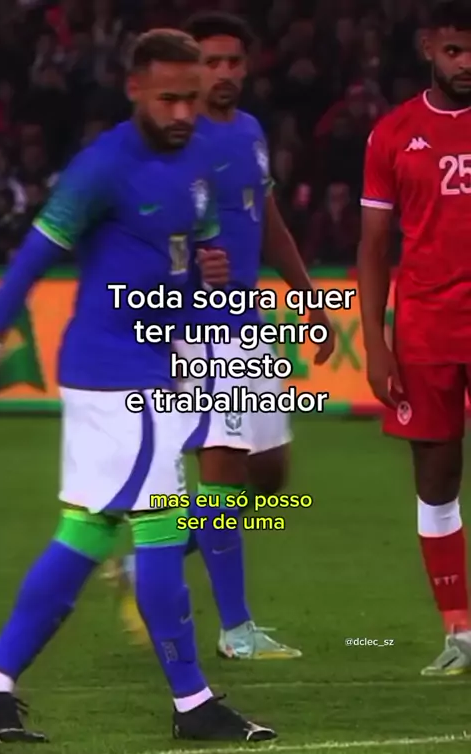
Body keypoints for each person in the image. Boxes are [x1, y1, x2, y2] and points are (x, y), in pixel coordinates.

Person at [0, 29, 276, 743]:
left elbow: (189, 267)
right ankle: (194, 704)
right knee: (161, 533)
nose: (182, 112)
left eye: (191, 98)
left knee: (85, 532)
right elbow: (31, 260)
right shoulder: (103, 168)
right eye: (168, 98)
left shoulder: (198, 163)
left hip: (140, 368)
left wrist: (211, 285)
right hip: (122, 377)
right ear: (135, 90)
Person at [110, 12, 335, 660]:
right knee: (224, 468)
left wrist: (308, 296)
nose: (224, 73)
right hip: (196, 327)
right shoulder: (170, 142)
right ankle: (236, 631)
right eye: (212, 62)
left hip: (246, 320)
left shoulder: (251, 132)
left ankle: (147, 561)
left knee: (267, 476)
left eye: (234, 61)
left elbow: (266, 219)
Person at [358, 0, 471, 677]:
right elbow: (374, 247)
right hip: (426, 329)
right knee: (436, 478)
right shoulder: (394, 134)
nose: (467, 63)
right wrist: (375, 343)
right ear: (429, 47)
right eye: (455, 50)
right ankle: (459, 630)